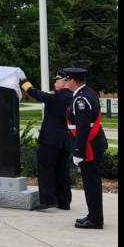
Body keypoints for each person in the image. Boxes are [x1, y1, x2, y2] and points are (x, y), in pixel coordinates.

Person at [20, 71, 73, 211]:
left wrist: (23, 81)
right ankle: (64, 201)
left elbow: (34, 93)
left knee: (46, 169)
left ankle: (48, 200)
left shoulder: (56, 97)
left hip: (50, 140)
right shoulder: (73, 96)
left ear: (64, 82)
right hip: (65, 140)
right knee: (62, 171)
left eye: (57, 81)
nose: (54, 83)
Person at [62, 67, 108, 230]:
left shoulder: (81, 99)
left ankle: (95, 219)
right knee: (91, 182)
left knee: (91, 183)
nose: (65, 82)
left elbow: (82, 128)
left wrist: (78, 151)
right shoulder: (89, 92)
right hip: (94, 143)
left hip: (89, 146)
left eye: (66, 80)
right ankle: (93, 215)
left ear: (73, 81)